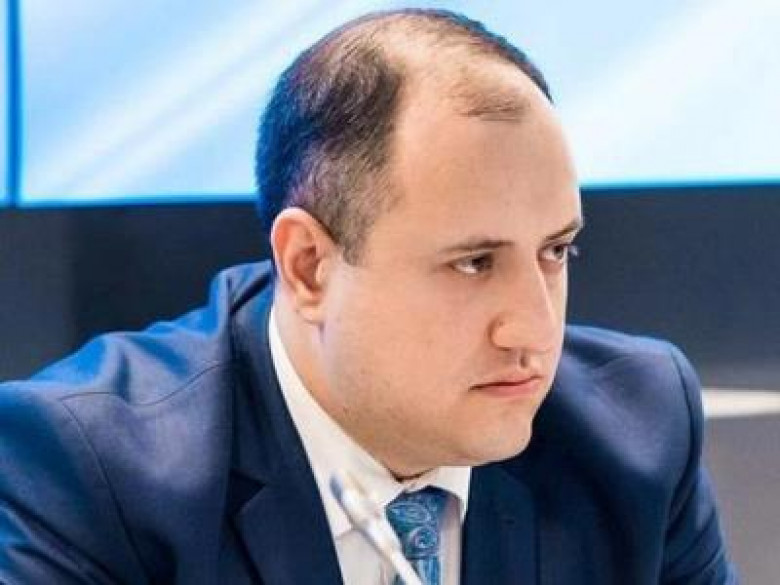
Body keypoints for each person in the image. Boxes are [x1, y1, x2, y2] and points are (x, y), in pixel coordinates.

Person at [0, 8, 737, 585]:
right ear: (310, 267)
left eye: (555, 251)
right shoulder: (88, 472)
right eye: (474, 263)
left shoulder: (637, 434)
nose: (533, 329)